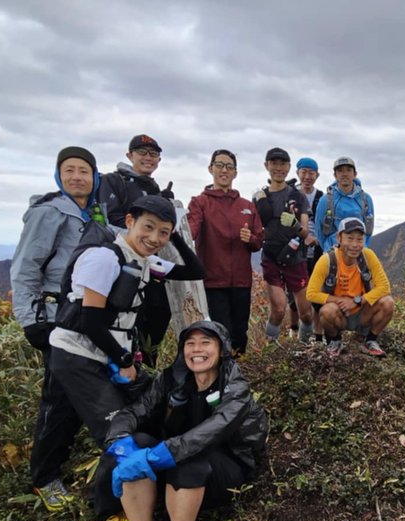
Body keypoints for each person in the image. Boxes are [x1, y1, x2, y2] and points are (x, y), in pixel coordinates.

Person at [43, 195, 204, 521]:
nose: (154, 238)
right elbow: (90, 320)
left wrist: (175, 237)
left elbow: (195, 271)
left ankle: (53, 477)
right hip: (78, 355)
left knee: (69, 417)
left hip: (103, 355)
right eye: (148, 227)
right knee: (118, 431)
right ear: (129, 221)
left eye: (163, 232)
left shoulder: (146, 262)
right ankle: (107, 511)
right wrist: (125, 361)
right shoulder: (104, 258)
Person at [98, 320, 268, 521]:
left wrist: (159, 456)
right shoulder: (172, 379)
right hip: (176, 459)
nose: (197, 350)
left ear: (221, 349)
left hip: (226, 468)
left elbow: (213, 430)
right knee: (136, 446)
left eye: (206, 343)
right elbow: (136, 411)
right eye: (190, 343)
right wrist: (120, 442)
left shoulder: (235, 387)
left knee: (186, 459)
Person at [11, 146, 109, 510]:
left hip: (88, 315)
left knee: (86, 391)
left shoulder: (93, 214)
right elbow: (24, 268)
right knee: (59, 398)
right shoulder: (49, 212)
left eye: (84, 171)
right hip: (55, 316)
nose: (77, 177)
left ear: (94, 177)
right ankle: (45, 478)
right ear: (59, 175)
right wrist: (30, 320)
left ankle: (66, 462)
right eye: (69, 170)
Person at [97, 134, 181, 367]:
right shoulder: (114, 181)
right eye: (142, 152)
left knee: (157, 317)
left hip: (149, 267)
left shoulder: (152, 187)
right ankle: (125, 368)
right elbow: (108, 221)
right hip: (122, 267)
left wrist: (163, 205)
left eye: (153, 154)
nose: (148, 157)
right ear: (129, 155)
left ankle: (146, 370)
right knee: (127, 322)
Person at [187, 150, 264, 356]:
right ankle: (220, 371)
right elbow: (190, 232)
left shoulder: (247, 206)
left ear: (235, 173)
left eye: (229, 167)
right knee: (220, 332)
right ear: (210, 169)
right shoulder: (200, 202)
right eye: (219, 165)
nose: (224, 170)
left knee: (240, 333)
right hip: (213, 281)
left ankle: (237, 370)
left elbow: (258, 241)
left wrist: (250, 239)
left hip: (241, 281)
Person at [305, 217, 394, 357]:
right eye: (350, 238)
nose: (355, 244)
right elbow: (311, 294)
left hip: (362, 312)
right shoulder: (327, 260)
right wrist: (338, 300)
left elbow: (384, 287)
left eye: (359, 239)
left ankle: (370, 341)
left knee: (388, 302)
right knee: (327, 311)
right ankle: (335, 341)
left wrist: (356, 301)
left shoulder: (367, 256)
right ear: (339, 238)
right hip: (340, 313)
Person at [253, 147, 315, 344]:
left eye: (282, 164)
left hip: (295, 256)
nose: (278, 168)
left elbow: (305, 233)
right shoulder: (259, 197)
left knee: (306, 313)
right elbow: (254, 228)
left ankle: (304, 347)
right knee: (278, 309)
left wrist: (295, 225)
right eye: (274, 163)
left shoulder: (298, 196)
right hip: (271, 257)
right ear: (266, 166)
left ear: (289, 167)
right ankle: (270, 348)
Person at [312, 156, 374, 256]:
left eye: (348, 170)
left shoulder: (366, 199)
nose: (344, 174)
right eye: (340, 171)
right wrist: (328, 249)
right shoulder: (325, 200)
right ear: (335, 175)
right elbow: (319, 230)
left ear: (355, 174)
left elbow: (369, 230)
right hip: (333, 253)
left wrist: (361, 247)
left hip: (358, 253)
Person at [293, 157, 326, 342]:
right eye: (303, 172)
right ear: (297, 173)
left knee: (318, 294)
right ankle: (295, 333)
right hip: (294, 251)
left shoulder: (322, 198)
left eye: (311, 173)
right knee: (295, 296)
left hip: (318, 252)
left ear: (317, 175)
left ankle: (318, 336)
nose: (307, 176)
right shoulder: (291, 195)